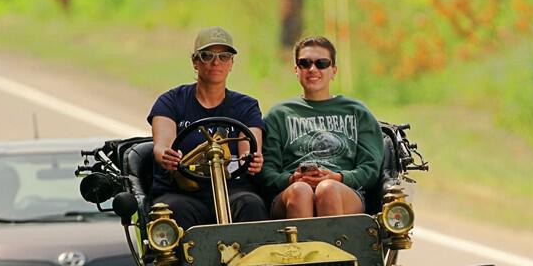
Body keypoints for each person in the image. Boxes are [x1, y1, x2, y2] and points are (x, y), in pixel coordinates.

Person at [148, 26, 267, 228]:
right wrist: (167, 156)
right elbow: (162, 146)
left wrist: (252, 159)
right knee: (172, 211)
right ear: (195, 62)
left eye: (224, 56)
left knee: (251, 204)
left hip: (232, 188)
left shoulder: (246, 106)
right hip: (183, 191)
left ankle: (252, 250)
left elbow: (249, 147)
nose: (215, 62)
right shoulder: (171, 101)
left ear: (231, 63)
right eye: (207, 56)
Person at [258, 36, 383, 218]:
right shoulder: (279, 115)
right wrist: (292, 179)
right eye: (305, 63)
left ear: (333, 71)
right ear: (296, 70)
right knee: (301, 191)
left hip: (344, 190)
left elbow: (371, 168)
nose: (312, 69)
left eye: (322, 63)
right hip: (291, 191)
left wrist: (338, 177)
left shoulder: (357, 112)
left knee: (328, 189)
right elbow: (266, 170)